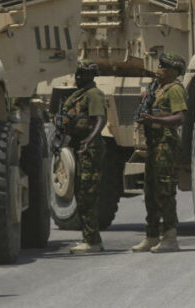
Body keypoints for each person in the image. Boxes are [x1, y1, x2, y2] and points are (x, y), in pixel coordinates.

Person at [131, 53, 187, 253]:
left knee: (165, 190)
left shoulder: (175, 89)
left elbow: (180, 118)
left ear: (173, 71)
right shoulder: (156, 87)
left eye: (164, 66)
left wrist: (154, 121)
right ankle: (152, 235)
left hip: (166, 143)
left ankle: (170, 237)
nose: (159, 68)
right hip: (154, 144)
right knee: (151, 191)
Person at [62, 60, 107, 254]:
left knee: (87, 195)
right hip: (79, 147)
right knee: (81, 194)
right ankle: (90, 238)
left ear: (91, 76)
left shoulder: (94, 94)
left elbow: (100, 118)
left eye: (83, 74)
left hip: (90, 149)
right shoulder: (77, 95)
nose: (78, 77)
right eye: (77, 73)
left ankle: (92, 241)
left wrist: (90, 138)